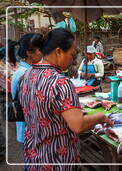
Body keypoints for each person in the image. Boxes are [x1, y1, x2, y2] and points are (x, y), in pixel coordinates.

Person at [17, 28, 112, 170]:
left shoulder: (27, 75)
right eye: (72, 53)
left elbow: (46, 111)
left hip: (33, 156)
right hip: (57, 160)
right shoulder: (60, 82)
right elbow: (78, 125)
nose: (72, 59)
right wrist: (101, 117)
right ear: (58, 51)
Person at [10, 33, 43, 153]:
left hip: (26, 128)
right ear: (29, 53)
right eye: (39, 49)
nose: (42, 52)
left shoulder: (23, 71)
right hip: (29, 130)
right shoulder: (26, 74)